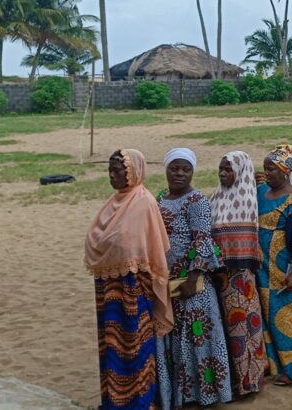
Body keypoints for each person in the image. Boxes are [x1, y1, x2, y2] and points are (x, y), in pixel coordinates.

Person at [86, 149, 172, 410]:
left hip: (134, 291)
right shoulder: (113, 203)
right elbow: (98, 241)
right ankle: (113, 401)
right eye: (109, 171)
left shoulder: (143, 203)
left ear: (133, 171)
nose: (112, 176)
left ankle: (140, 404)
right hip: (108, 289)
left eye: (118, 170)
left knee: (135, 347)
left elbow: (152, 251)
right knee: (111, 345)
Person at [156, 148, 233, 408]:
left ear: (193, 172)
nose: (179, 173)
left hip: (192, 285)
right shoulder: (160, 199)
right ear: (166, 169)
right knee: (177, 341)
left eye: (185, 169)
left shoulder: (197, 200)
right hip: (168, 284)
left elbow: (202, 240)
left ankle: (206, 395)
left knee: (197, 339)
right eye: (174, 168)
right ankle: (183, 394)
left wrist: (192, 277)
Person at [256, 145, 292, 385]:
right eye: (265, 169)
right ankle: (276, 364)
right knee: (271, 317)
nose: (266, 173)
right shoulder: (261, 194)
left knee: (289, 317)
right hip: (265, 271)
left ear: (285, 171)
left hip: (287, 271)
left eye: (271, 169)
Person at [209, 151, 266, 398]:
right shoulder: (216, 198)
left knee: (243, 330)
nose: (223, 174)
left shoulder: (247, 199)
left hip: (241, 280)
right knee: (228, 330)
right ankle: (235, 381)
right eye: (221, 169)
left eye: (228, 169)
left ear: (240, 171)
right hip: (220, 278)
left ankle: (249, 383)